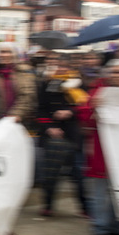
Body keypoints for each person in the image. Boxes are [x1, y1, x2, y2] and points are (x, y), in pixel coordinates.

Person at [77, 60, 119, 235]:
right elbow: (83, 117)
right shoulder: (97, 92)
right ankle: (101, 227)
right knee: (100, 192)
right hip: (101, 151)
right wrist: (92, 107)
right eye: (114, 72)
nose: (117, 75)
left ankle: (116, 225)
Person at [36, 53, 87, 217]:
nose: (60, 69)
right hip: (52, 134)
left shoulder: (78, 84)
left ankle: (85, 207)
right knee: (50, 173)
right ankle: (48, 205)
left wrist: (69, 112)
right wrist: (49, 127)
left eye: (64, 66)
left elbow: (85, 107)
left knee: (78, 172)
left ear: (70, 68)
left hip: (72, 133)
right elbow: (40, 109)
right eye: (58, 66)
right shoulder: (46, 84)